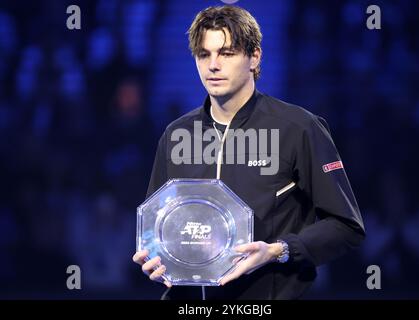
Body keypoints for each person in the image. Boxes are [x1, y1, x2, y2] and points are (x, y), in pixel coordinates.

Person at [132, 5, 365, 300]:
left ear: (254, 57)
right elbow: (158, 226)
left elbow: (346, 226)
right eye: (204, 54)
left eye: (226, 53)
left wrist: (277, 251)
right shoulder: (177, 134)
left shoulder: (298, 128)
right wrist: (154, 257)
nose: (213, 65)